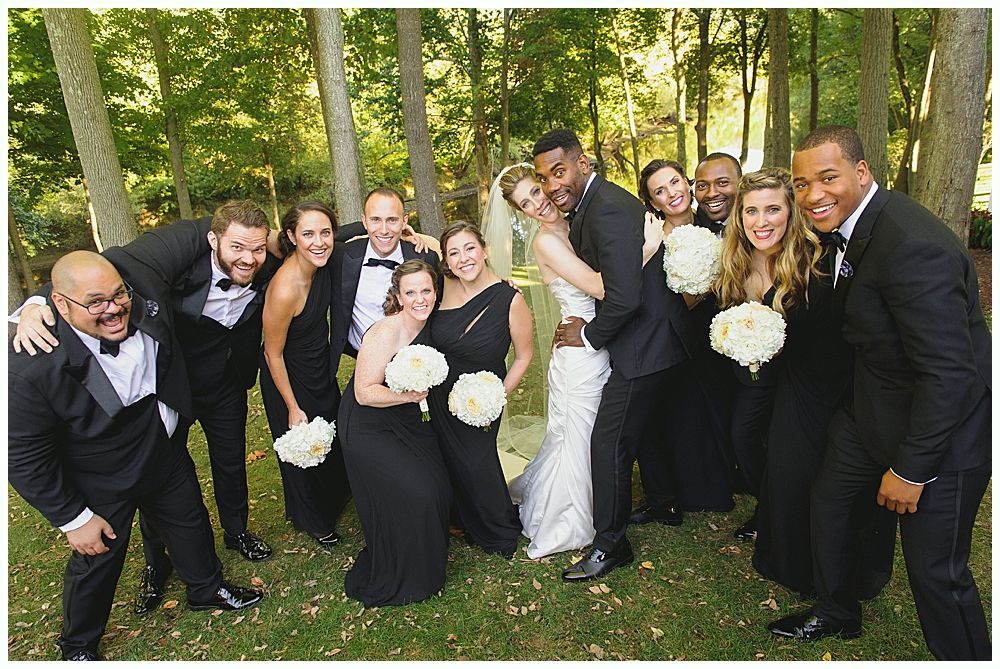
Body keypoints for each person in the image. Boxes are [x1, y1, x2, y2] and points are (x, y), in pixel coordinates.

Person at [767, 126, 991, 661]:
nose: (813, 195)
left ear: (862, 172)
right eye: (802, 184)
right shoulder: (848, 228)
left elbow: (949, 373)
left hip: (941, 436)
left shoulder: (912, 246)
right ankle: (837, 610)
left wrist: (912, 470)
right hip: (869, 411)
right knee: (830, 503)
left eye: (828, 178)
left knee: (936, 572)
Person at [11, 202, 277, 616]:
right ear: (213, 239)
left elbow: (315, 234)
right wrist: (33, 305)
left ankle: (235, 533)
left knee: (226, 462)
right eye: (238, 247)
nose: (248, 257)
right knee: (158, 479)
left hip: (226, 381)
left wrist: (386, 230)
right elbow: (99, 272)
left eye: (257, 248)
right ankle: (157, 563)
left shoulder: (267, 256)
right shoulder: (171, 256)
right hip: (175, 384)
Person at [534, 129, 696, 581]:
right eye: (544, 178)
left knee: (609, 442)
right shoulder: (595, 203)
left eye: (559, 171)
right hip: (657, 338)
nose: (552, 185)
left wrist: (589, 335)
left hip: (646, 343)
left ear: (583, 163)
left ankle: (610, 544)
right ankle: (664, 502)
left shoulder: (604, 207)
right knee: (648, 427)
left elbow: (623, 298)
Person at [494, 164, 661, 558]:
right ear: (520, 213)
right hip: (579, 354)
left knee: (592, 433)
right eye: (525, 203)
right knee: (581, 436)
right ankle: (571, 517)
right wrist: (648, 248)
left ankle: (601, 504)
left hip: (601, 341)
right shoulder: (546, 243)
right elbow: (603, 286)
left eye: (537, 192)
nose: (537, 204)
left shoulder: (575, 224)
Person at [338, 260, 452, 606]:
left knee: (438, 487)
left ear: (435, 292)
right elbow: (364, 393)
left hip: (407, 422)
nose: (420, 299)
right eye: (411, 292)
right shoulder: (385, 332)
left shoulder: (431, 321)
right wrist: (409, 395)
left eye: (426, 290)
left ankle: (424, 561)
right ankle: (404, 571)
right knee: (418, 492)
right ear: (399, 297)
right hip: (368, 426)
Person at [631, 159, 735, 519]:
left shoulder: (712, 224)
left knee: (705, 407)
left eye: (675, 182)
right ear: (652, 202)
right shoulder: (651, 236)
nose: (671, 193)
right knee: (670, 410)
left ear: (686, 183)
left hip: (711, 327)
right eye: (660, 191)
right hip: (669, 330)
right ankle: (669, 493)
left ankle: (710, 484)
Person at [426, 222, 534, 559]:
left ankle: (498, 529)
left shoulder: (510, 299)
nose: (463, 258)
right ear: (446, 260)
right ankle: (460, 519)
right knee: (447, 459)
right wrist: (410, 234)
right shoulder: (442, 286)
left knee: (476, 463)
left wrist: (496, 397)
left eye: (470, 248)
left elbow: (524, 356)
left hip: (481, 398)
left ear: (484, 250)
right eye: (454, 253)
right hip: (440, 395)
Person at [259, 202, 351, 548]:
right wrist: (292, 406)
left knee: (331, 437)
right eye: (308, 234)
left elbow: (357, 232)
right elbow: (272, 353)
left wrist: (410, 233)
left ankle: (336, 497)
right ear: (292, 236)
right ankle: (313, 520)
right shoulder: (285, 289)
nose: (319, 241)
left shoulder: (321, 262)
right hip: (289, 376)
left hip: (319, 368)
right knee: (304, 446)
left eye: (325, 232)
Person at [329, 188, 440, 381]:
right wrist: (363, 227)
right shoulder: (342, 256)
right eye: (375, 220)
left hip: (415, 364)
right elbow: (324, 237)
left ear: (405, 221)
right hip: (364, 362)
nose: (384, 230)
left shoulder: (424, 257)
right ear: (364, 221)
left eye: (392, 220)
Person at [693, 151, 742, 234]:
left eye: (722, 183)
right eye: (702, 186)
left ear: (741, 183)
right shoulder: (690, 229)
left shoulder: (757, 224)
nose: (711, 194)